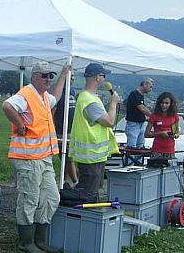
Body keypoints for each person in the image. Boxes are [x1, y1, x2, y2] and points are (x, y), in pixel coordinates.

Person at [2, 62, 69, 253]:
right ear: (34, 77)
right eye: (45, 76)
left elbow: (56, 97)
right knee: (29, 198)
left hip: (43, 156)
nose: (49, 79)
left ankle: (39, 240)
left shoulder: (44, 97)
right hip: (27, 156)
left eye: (51, 76)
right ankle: (26, 242)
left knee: (50, 197)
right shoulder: (26, 94)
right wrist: (19, 123)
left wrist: (63, 75)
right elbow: (7, 106)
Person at [69, 63, 120, 196]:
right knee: (88, 194)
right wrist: (113, 103)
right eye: (103, 75)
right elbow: (109, 121)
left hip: (94, 155)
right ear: (97, 77)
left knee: (91, 191)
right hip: (91, 156)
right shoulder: (89, 100)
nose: (105, 78)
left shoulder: (88, 97)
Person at [53, 71, 78, 188]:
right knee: (67, 157)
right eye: (71, 76)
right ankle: (75, 181)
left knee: (69, 156)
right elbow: (52, 111)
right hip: (61, 130)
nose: (73, 79)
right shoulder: (59, 93)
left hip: (71, 130)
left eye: (74, 77)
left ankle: (66, 180)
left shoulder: (72, 92)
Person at [123, 78, 154, 164]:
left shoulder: (141, 96)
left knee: (140, 147)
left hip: (140, 124)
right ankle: (130, 165)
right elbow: (142, 108)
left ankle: (138, 165)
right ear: (145, 84)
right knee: (132, 148)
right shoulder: (134, 94)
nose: (151, 89)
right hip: (133, 125)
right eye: (150, 87)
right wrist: (153, 116)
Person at [145, 92, 180, 158]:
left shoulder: (174, 116)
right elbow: (146, 134)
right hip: (157, 150)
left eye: (166, 103)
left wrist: (174, 135)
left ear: (171, 104)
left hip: (170, 150)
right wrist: (160, 134)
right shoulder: (154, 116)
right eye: (162, 103)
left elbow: (177, 133)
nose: (164, 105)